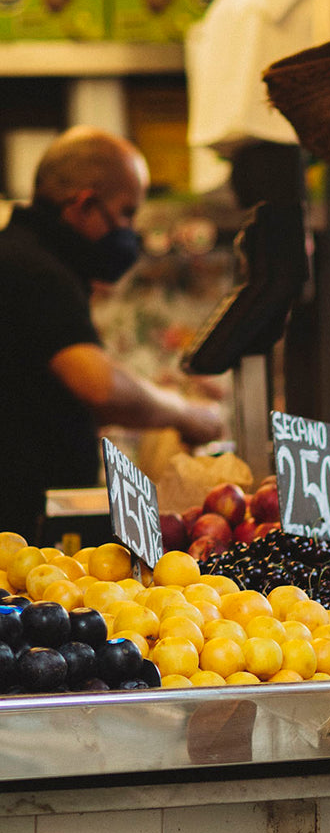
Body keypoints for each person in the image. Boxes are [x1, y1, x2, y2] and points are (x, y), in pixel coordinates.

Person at [0, 127, 223, 539]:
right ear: (84, 205)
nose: (130, 231)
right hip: (14, 528)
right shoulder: (36, 271)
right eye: (126, 213)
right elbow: (99, 387)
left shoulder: (27, 257)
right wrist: (186, 413)